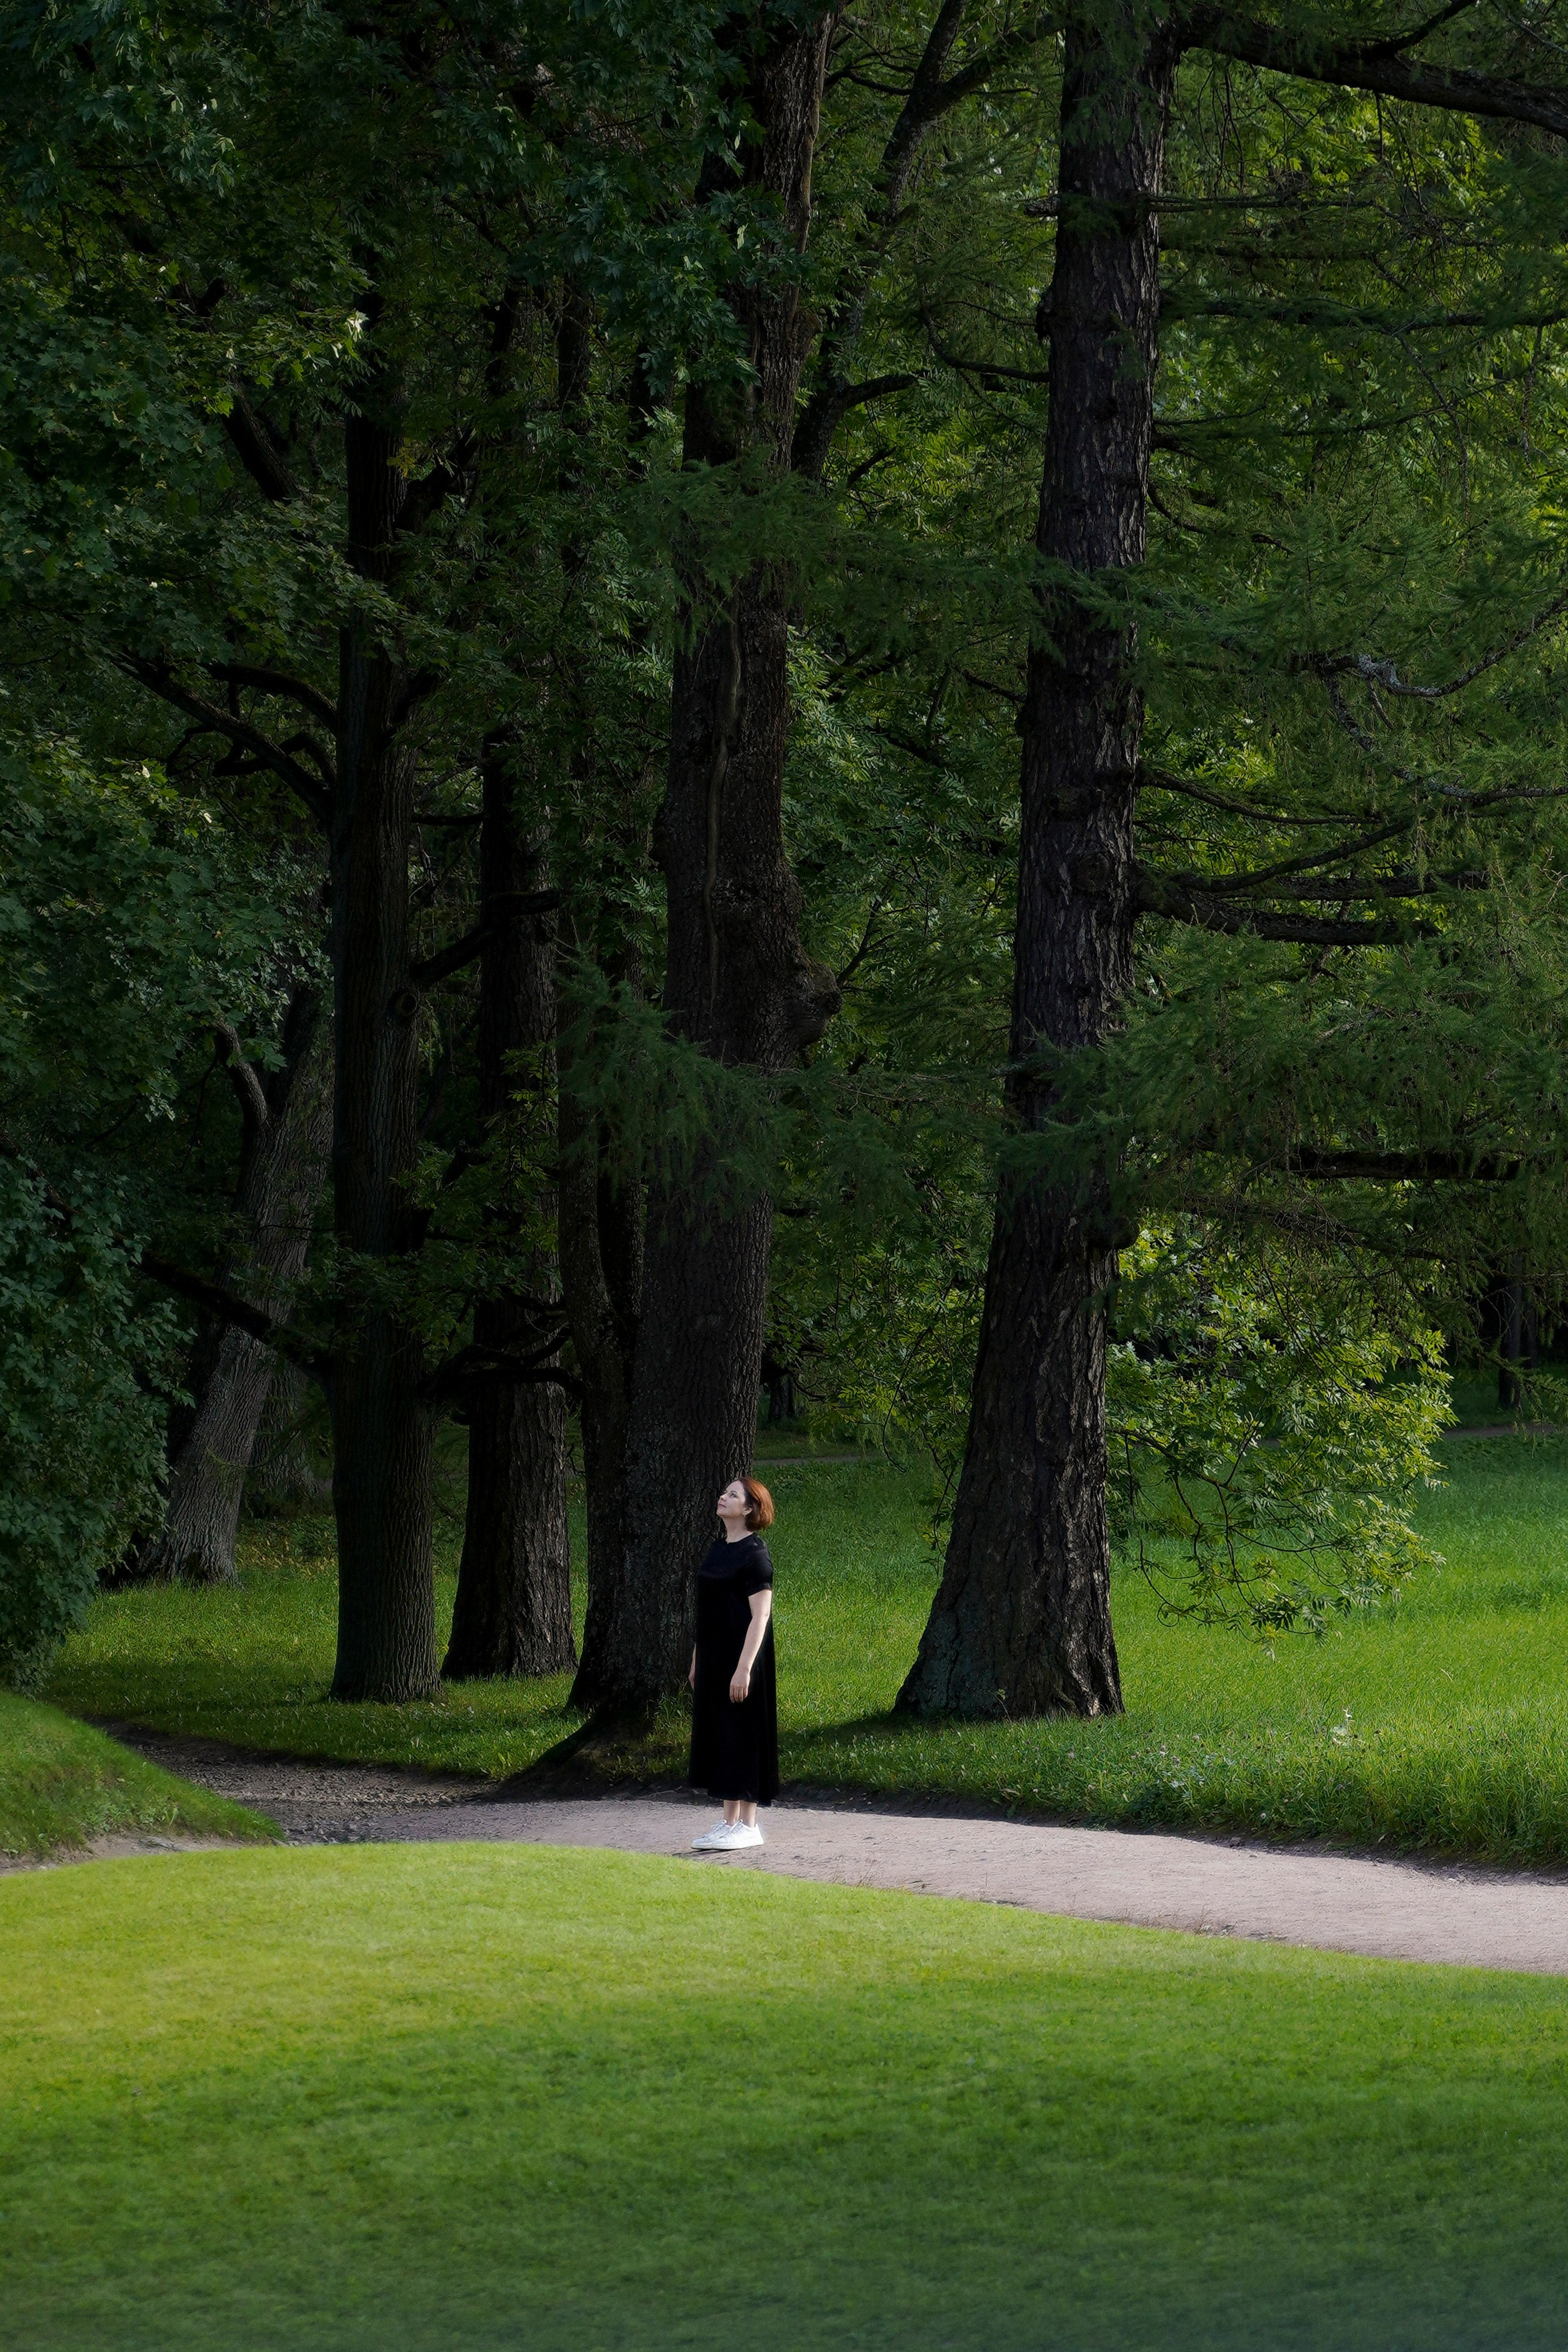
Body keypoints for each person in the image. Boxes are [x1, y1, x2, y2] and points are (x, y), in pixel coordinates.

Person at [688, 1475, 779, 1852]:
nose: (723, 1497)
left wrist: (744, 1669)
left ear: (749, 1509)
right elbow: (706, 1611)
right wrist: (697, 1659)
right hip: (714, 1657)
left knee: (744, 1733)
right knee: (723, 1734)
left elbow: (760, 1617)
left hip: (743, 1658)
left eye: (732, 1495)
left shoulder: (755, 1555)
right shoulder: (717, 1548)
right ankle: (728, 1822)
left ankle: (749, 1824)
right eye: (724, 1491)